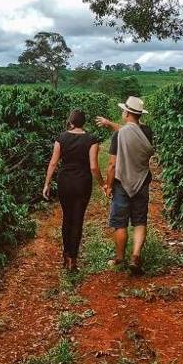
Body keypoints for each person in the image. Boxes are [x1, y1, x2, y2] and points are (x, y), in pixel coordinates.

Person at [96, 96, 154, 274]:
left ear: (127, 113)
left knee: (119, 222)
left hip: (122, 182)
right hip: (142, 180)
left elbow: (112, 164)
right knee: (139, 220)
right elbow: (132, 133)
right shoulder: (147, 132)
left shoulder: (119, 135)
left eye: (124, 110)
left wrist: (108, 185)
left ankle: (120, 257)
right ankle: (136, 256)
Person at [43, 109, 105, 271]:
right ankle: (73, 260)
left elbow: (53, 163)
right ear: (84, 122)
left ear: (70, 122)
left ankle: (66, 255)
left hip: (65, 182)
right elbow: (93, 166)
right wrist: (102, 183)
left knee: (67, 218)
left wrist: (47, 183)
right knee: (78, 220)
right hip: (82, 182)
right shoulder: (91, 139)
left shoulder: (61, 138)